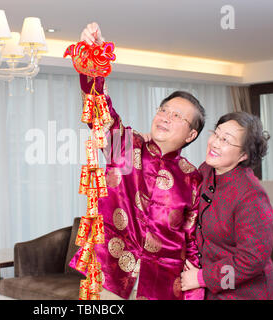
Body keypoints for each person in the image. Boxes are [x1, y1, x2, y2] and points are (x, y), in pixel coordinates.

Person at [69, 23, 206, 300]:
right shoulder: (127, 146)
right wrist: (95, 59)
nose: (166, 116)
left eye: (178, 116)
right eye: (163, 109)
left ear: (192, 134)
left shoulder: (192, 178)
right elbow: (99, 111)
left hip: (163, 284)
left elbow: (192, 242)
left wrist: (194, 291)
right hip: (110, 272)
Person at [180, 111, 273, 299]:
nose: (215, 142)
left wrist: (202, 278)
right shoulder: (207, 170)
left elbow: (252, 260)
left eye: (226, 140)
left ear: (243, 155)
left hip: (243, 293)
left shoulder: (251, 196)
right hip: (208, 290)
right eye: (216, 133)